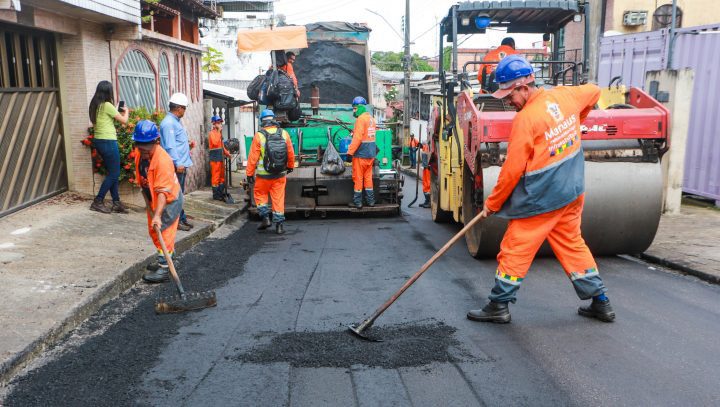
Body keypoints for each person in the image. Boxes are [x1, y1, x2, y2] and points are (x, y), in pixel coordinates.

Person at [466, 55, 615, 324]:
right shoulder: (564, 96)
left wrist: (493, 203)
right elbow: (594, 91)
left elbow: (512, 169)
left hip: (544, 197)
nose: (508, 102)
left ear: (524, 86)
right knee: (572, 244)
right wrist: (576, 121)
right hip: (572, 190)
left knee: (515, 247)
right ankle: (601, 302)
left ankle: (498, 305)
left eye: (510, 95)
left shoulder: (526, 119)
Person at [131, 120, 183, 284]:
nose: (144, 153)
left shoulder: (163, 161)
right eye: (140, 148)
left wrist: (158, 215)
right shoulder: (141, 153)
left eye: (147, 149)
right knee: (154, 231)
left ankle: (165, 268)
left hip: (168, 200)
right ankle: (166, 258)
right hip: (153, 199)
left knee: (164, 231)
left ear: (157, 142)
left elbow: (162, 193)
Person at [246, 109, 295, 235]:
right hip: (279, 174)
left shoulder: (259, 135)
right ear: (274, 119)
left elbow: (253, 157)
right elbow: (290, 152)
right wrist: (290, 166)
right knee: (278, 198)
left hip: (263, 175)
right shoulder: (284, 133)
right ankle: (279, 226)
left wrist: (249, 173)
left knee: (259, 194)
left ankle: (265, 218)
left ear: (262, 121)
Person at [88, 80, 129, 214]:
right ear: (108, 92)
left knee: (112, 172)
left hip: (100, 140)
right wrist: (126, 111)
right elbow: (124, 121)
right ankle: (98, 201)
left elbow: (96, 124)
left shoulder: (95, 105)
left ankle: (116, 202)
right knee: (114, 174)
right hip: (108, 141)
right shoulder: (107, 105)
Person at [159, 92, 193, 232]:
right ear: (178, 108)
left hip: (181, 164)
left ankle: (181, 218)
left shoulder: (174, 122)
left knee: (179, 195)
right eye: (184, 108)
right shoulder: (169, 123)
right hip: (176, 165)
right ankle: (175, 221)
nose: (184, 111)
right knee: (175, 195)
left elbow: (176, 143)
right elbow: (170, 146)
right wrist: (178, 163)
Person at [346, 96, 377, 209]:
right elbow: (368, 135)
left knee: (358, 178)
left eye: (354, 108)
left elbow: (358, 138)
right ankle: (370, 201)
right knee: (368, 178)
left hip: (361, 155)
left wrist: (350, 153)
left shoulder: (360, 119)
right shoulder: (371, 119)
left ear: (359, 107)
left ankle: (358, 202)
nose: (353, 111)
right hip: (370, 154)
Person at [208, 115, 232, 201]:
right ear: (214, 124)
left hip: (221, 157)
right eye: (218, 123)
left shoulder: (219, 134)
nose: (220, 124)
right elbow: (214, 143)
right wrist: (219, 132)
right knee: (216, 176)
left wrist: (227, 153)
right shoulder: (212, 133)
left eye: (220, 123)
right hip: (215, 158)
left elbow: (221, 146)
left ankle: (221, 192)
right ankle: (216, 195)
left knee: (222, 176)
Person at [419, 142, 431, 208]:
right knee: (425, 184)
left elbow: (426, 157)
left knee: (427, 184)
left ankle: (428, 201)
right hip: (425, 168)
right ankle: (426, 201)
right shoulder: (424, 147)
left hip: (427, 168)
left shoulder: (426, 147)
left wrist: (426, 166)